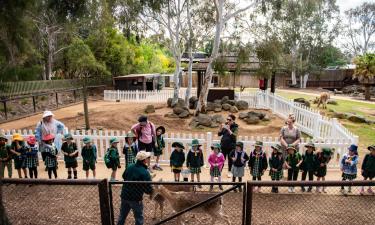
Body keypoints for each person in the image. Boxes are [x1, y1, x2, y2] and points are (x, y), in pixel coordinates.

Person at [117, 151, 153, 225]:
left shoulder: (130, 166)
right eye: (147, 158)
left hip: (125, 195)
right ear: (144, 160)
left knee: (122, 216)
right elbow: (148, 189)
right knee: (139, 218)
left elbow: (124, 176)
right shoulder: (145, 172)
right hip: (136, 198)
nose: (148, 159)